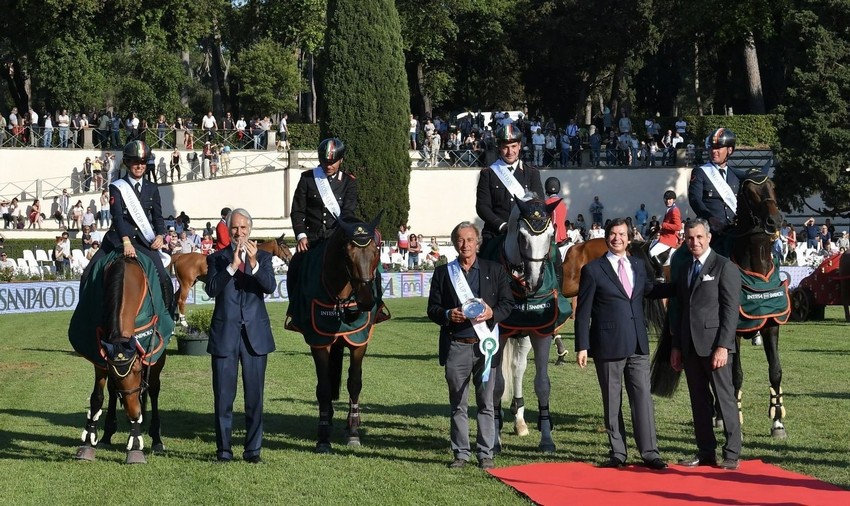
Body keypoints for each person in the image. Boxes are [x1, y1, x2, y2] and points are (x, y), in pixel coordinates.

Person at [574, 218, 668, 470]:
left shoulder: (638, 265)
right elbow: (583, 312)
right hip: (608, 345)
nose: (618, 238)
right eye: (613, 234)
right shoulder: (592, 270)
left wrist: (678, 288)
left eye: (622, 234)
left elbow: (648, 290)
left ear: (629, 237)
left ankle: (650, 452)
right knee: (612, 399)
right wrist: (582, 345)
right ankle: (618, 452)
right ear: (607, 237)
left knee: (643, 400)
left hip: (637, 343)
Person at [426, 222, 513, 470]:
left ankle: (486, 453)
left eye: (470, 240)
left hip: (486, 346)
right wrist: (446, 314)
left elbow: (508, 304)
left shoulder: (494, 270)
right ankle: (461, 454)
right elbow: (431, 308)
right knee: (458, 404)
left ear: (478, 242)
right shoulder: (444, 273)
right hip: (457, 346)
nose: (465, 245)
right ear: (455, 243)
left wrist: (492, 313)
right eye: (461, 240)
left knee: (486, 403)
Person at [667, 219, 742, 470]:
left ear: (708, 237)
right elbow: (681, 310)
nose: (695, 242)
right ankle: (706, 451)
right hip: (689, 347)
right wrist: (677, 346)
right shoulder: (686, 267)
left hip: (715, 348)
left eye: (699, 237)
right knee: (699, 402)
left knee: (724, 399)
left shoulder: (724, 266)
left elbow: (731, 311)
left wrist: (723, 346)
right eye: (690, 238)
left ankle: (731, 453)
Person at [205, 208, 276, 464]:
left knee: (254, 398)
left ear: (250, 230)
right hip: (225, 335)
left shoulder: (264, 258)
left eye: (244, 228)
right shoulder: (217, 258)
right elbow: (212, 289)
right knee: (223, 398)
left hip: (255, 337)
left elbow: (270, 285)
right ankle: (224, 450)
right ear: (228, 229)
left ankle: (253, 451)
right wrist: (233, 266)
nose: (239, 233)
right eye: (235, 228)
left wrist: (254, 264)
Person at [82, 140, 173, 316]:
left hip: (143, 240)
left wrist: (161, 235)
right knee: (87, 274)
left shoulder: (152, 188)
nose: (139, 166)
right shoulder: (117, 186)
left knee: (163, 276)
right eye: (135, 161)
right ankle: (86, 317)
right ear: (127, 162)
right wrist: (125, 241)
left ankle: (167, 316)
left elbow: (158, 217)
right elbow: (117, 216)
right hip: (118, 239)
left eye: (143, 162)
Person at [287, 138, 357, 316]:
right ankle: (295, 312)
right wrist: (301, 235)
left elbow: (348, 212)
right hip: (313, 240)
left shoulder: (349, 182)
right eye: (325, 161)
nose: (329, 165)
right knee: (295, 267)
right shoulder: (308, 179)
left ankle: (374, 305)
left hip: (338, 239)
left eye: (333, 162)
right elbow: (297, 211)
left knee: (366, 266)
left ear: (341, 160)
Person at [475, 123, 544, 243]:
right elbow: (482, 207)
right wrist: (501, 225)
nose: (510, 152)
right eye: (506, 147)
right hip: (496, 234)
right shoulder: (488, 173)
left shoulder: (532, 173)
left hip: (525, 235)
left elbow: (539, 204)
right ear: (499, 148)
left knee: (554, 257)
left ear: (519, 146)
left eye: (513, 146)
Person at [688, 128, 741, 257]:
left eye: (718, 148)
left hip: (735, 230)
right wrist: (710, 219)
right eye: (711, 148)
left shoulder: (736, 175)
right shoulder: (700, 172)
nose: (713, 151)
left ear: (729, 150)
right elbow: (695, 199)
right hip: (712, 230)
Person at [648, 190, 682, 279]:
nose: (667, 201)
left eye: (670, 199)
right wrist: (658, 230)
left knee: (652, 252)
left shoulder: (674, 210)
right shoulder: (669, 209)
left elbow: (678, 226)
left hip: (669, 239)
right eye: (666, 199)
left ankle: (661, 273)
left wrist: (664, 225)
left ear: (674, 200)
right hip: (664, 236)